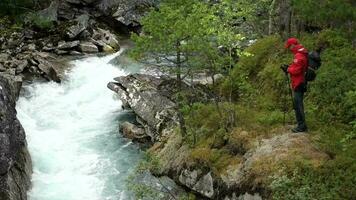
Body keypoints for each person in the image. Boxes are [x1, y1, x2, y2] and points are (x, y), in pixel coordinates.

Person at [281, 38, 308, 133]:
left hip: (298, 83)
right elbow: (296, 67)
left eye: (289, 47)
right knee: (297, 104)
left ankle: (302, 126)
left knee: (298, 104)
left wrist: (288, 70)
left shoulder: (299, 56)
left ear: (293, 45)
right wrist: (289, 67)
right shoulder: (301, 54)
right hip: (299, 82)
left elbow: (297, 70)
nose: (289, 49)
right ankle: (301, 124)